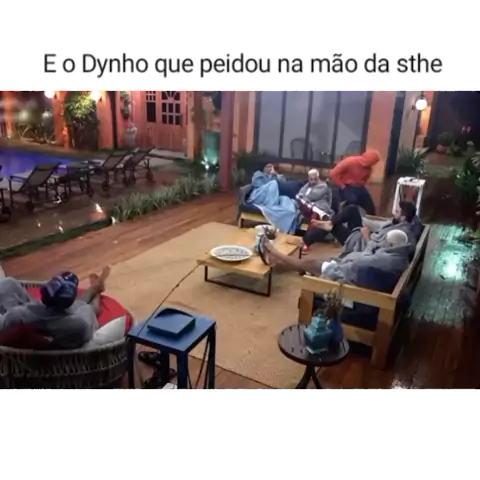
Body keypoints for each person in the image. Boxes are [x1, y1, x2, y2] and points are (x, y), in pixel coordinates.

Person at [0, 267, 110, 349]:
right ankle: (96, 289)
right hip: (58, 322)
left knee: (8, 283)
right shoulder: (79, 324)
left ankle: (95, 288)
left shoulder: (20, 315)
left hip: (34, 320)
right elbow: (90, 308)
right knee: (87, 307)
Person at [261, 229, 411, 287]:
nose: (382, 244)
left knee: (310, 263)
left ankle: (274, 252)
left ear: (391, 244)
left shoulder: (386, 259)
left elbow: (362, 261)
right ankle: (280, 264)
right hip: (351, 272)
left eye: (385, 242)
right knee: (310, 263)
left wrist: (369, 244)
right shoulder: (399, 256)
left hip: (345, 275)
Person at [312, 201, 421, 257]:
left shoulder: (398, 234)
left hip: (362, 245)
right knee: (352, 209)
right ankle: (330, 223)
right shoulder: (396, 222)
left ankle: (329, 226)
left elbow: (378, 251)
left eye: (397, 212)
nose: (394, 213)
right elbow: (379, 225)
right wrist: (362, 219)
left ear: (403, 217)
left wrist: (366, 237)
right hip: (367, 235)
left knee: (336, 227)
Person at [329, 150, 380, 215]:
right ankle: (343, 214)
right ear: (365, 158)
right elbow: (333, 174)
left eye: (373, 163)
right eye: (370, 162)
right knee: (352, 201)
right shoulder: (350, 162)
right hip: (346, 186)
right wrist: (343, 187)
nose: (371, 164)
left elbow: (365, 180)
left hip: (360, 187)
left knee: (370, 208)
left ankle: (371, 219)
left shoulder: (369, 168)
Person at [296, 169, 334, 254]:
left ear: (318, 177)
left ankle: (306, 241)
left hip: (320, 207)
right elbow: (299, 194)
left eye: (314, 179)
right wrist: (303, 198)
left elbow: (314, 196)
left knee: (315, 214)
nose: (312, 181)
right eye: (311, 179)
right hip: (308, 207)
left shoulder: (323, 186)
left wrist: (303, 197)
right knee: (297, 206)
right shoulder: (307, 185)